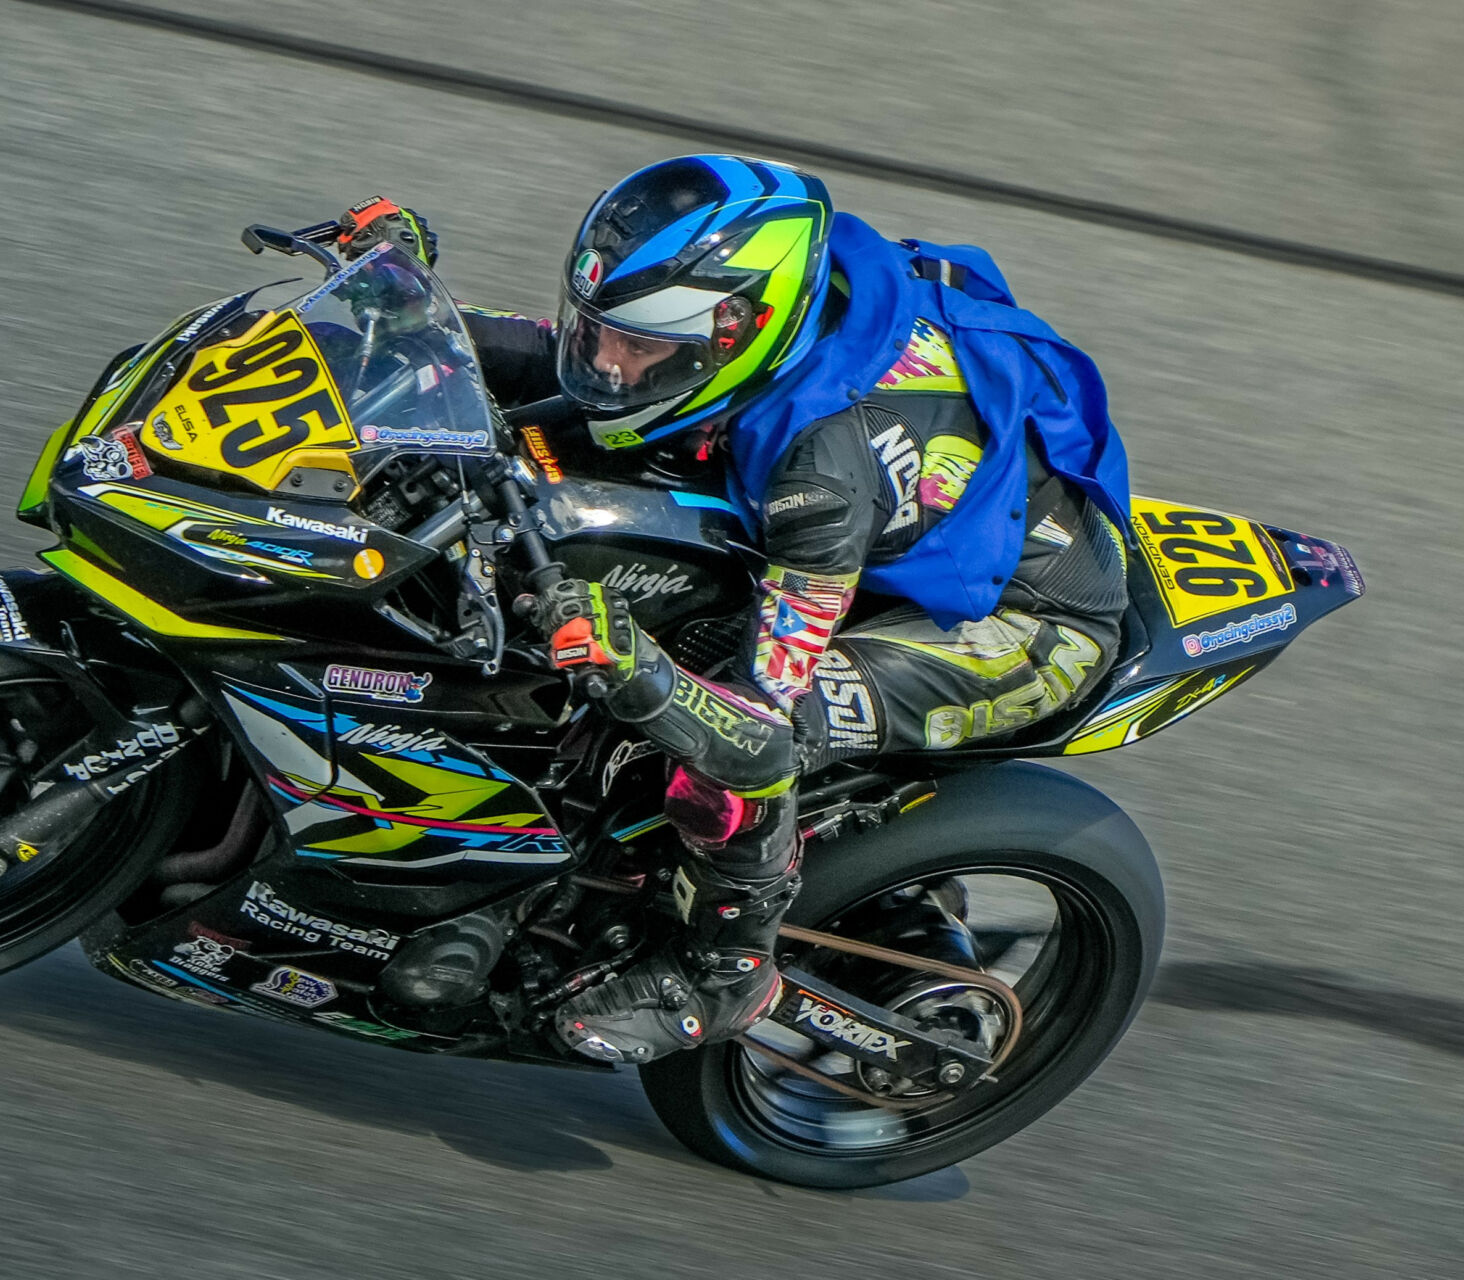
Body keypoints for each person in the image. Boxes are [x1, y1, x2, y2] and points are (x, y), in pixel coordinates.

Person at [333, 158, 1132, 1065]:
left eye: (638, 346)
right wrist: (404, 314)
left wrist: (634, 665)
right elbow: (528, 365)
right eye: (601, 329)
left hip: (1015, 630)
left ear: (736, 332)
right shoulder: (740, 328)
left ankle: (722, 972)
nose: (607, 361)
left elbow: (758, 724)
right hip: (892, 531)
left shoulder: (821, 476)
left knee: (714, 730)